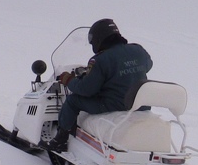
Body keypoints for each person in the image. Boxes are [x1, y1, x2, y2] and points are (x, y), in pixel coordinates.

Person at [41, 18, 153, 152]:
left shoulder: (100, 60)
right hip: (139, 104)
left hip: (114, 104)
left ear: (99, 39)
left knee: (73, 100)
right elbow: (148, 65)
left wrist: (69, 80)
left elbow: (86, 89)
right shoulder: (138, 50)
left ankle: (60, 140)